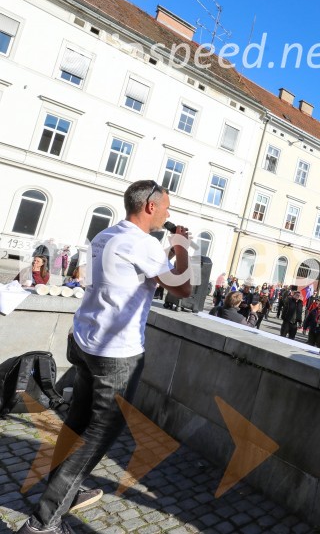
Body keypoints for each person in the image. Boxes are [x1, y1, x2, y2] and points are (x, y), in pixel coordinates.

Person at [16, 180, 192, 534]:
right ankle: (42, 522)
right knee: (98, 436)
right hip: (116, 355)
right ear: (150, 207)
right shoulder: (143, 244)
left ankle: (67, 490)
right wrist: (184, 248)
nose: (169, 214)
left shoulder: (106, 236)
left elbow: (140, 274)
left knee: (76, 424)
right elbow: (183, 288)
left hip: (85, 341)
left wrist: (167, 254)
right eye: (167, 207)